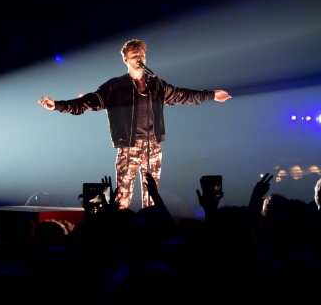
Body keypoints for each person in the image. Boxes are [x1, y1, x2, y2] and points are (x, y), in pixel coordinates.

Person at [38, 38, 231, 210]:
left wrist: (212, 95)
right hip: (128, 148)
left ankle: (152, 234)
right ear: (126, 59)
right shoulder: (115, 86)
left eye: (141, 54)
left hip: (153, 147)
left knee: (152, 198)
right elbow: (86, 102)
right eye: (134, 55)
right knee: (122, 198)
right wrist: (57, 105)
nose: (138, 57)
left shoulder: (156, 84)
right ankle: (122, 231)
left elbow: (183, 95)